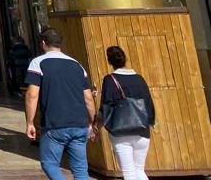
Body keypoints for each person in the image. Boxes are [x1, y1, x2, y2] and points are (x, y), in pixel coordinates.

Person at [24, 27, 96, 180]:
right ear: (60, 44)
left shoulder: (38, 63)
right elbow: (88, 98)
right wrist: (92, 122)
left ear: (43, 43)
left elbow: (32, 94)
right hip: (79, 124)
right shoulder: (77, 65)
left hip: (55, 124)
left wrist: (30, 122)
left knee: (49, 164)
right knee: (81, 171)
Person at [97, 46, 155, 180]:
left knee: (128, 173)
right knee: (139, 171)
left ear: (109, 61)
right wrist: (151, 122)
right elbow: (149, 104)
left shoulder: (110, 79)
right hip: (142, 130)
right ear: (125, 59)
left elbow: (106, 105)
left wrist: (97, 126)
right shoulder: (139, 79)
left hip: (120, 130)